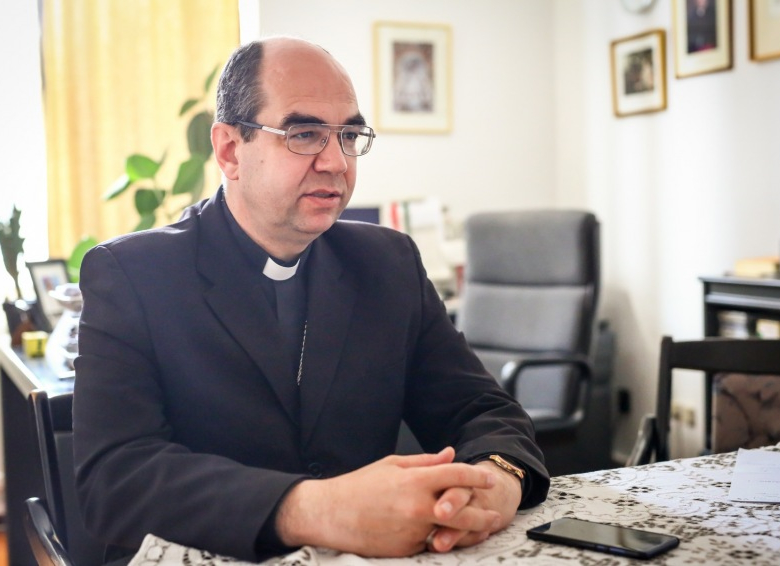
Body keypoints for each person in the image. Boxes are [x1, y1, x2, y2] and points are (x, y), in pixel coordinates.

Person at [73, 36, 549, 564]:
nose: (336, 162)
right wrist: (313, 509)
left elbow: (480, 409)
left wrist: (495, 479)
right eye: (304, 134)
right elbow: (115, 478)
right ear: (230, 150)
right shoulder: (133, 274)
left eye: (349, 135)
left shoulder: (387, 263)